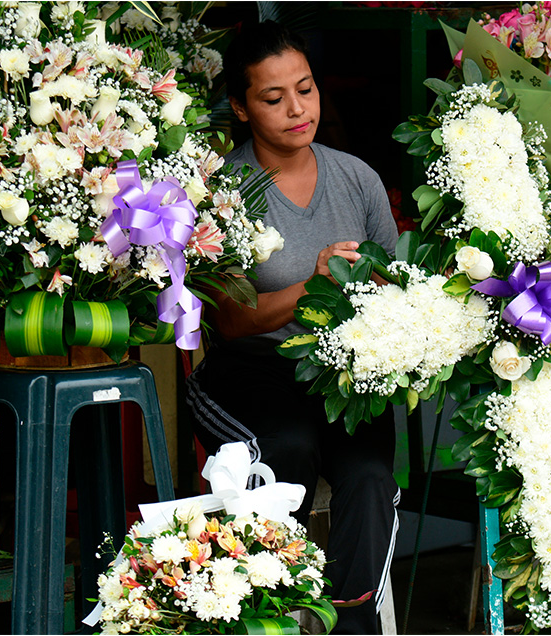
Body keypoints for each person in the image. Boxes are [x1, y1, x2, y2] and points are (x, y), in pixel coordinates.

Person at [185, 20, 400, 634]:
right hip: (251, 373)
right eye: (273, 98)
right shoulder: (226, 190)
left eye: (304, 90)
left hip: (343, 371)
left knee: (370, 479)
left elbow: (393, 283)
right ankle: (278, 617)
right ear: (240, 107)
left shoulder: (355, 176)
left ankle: (352, 628)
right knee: (287, 451)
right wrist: (315, 281)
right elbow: (229, 318)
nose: (296, 109)